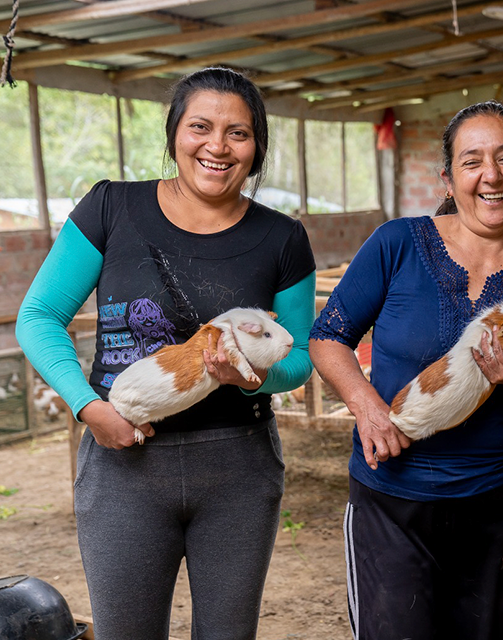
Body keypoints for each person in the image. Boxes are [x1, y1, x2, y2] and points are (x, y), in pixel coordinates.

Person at [16, 67, 317, 640]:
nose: (217, 146)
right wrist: (87, 405)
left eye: (239, 133)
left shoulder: (282, 238)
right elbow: (39, 317)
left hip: (239, 467)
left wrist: (250, 378)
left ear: (257, 147)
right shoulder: (111, 208)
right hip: (124, 462)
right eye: (200, 126)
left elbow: (300, 356)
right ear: (174, 132)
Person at [309, 101, 503, 640]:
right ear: (448, 178)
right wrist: (368, 409)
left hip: (495, 499)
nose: (491, 176)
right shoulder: (397, 244)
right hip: (391, 496)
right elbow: (327, 337)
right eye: (472, 161)